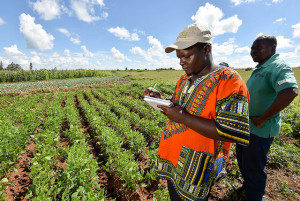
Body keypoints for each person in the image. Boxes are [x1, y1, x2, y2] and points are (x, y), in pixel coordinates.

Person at [144, 23, 250, 201]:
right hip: (174, 157)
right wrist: (160, 100)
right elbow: (178, 107)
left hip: (197, 166)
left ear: (206, 49)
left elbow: (232, 132)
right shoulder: (185, 79)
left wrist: (183, 118)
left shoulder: (229, 80)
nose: (181, 62)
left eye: (186, 56)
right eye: (179, 57)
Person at [236, 35, 298, 201]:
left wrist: (262, 118)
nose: (253, 52)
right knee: (244, 162)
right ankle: (248, 188)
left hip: (260, 130)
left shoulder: (278, 66)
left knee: (254, 167)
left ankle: (255, 198)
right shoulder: (260, 67)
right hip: (247, 126)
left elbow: (290, 91)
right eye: (252, 48)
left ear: (273, 48)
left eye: (258, 48)